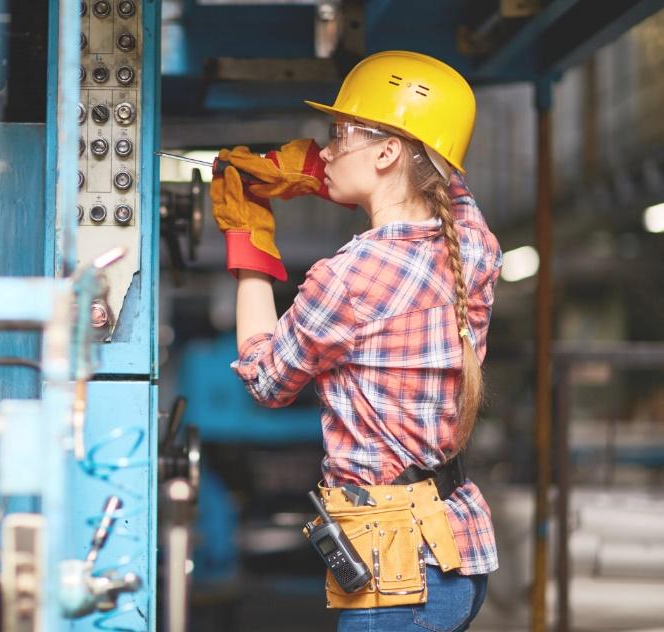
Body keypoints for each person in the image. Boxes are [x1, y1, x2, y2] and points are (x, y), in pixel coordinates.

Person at [209, 50, 502, 631]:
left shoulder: (351, 274)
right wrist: (325, 172)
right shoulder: (471, 241)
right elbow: (443, 184)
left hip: (396, 570)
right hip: (456, 551)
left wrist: (248, 236)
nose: (326, 148)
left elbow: (266, 380)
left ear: (389, 152)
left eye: (339, 134)